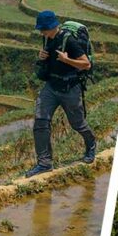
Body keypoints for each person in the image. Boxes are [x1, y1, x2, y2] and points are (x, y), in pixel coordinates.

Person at [27, 10, 97, 178]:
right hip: (51, 86)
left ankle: (91, 144)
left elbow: (86, 64)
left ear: (52, 27)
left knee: (77, 124)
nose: (41, 32)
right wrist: (42, 56)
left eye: (43, 29)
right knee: (40, 121)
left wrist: (67, 60)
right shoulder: (46, 39)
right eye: (41, 29)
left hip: (70, 88)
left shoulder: (69, 41)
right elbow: (47, 62)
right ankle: (44, 163)